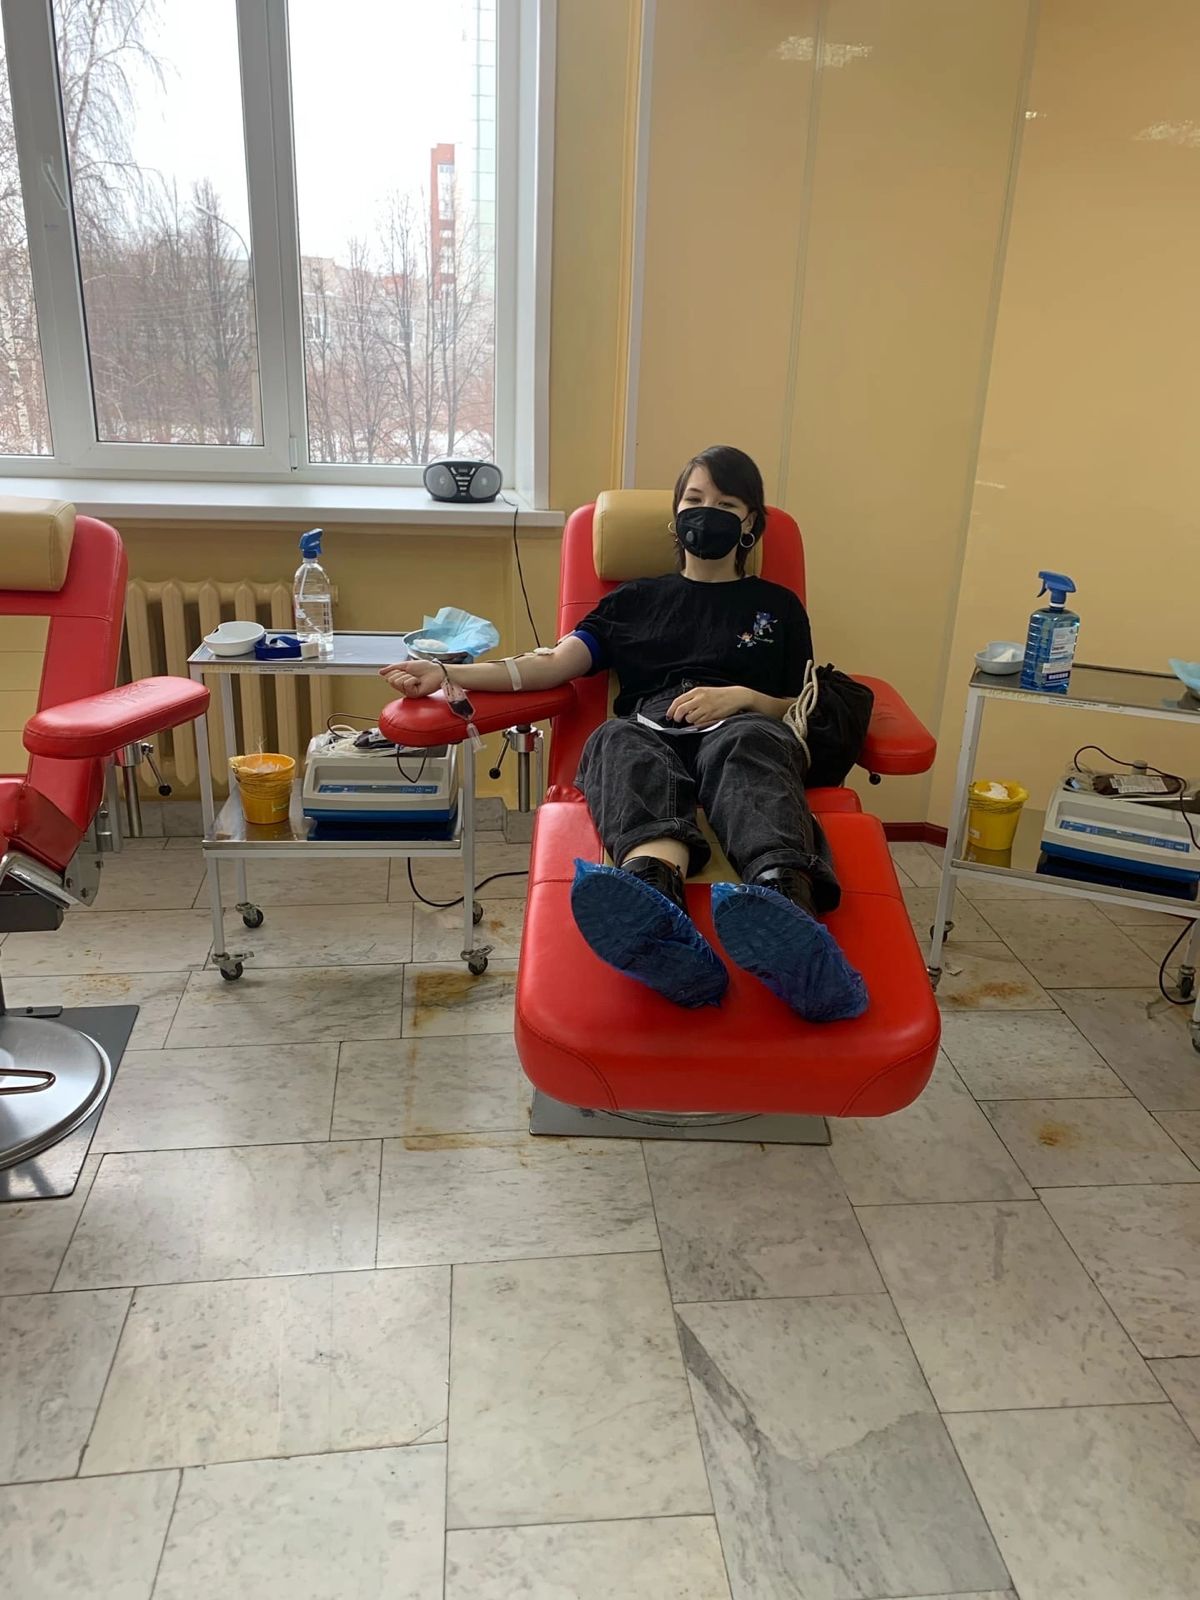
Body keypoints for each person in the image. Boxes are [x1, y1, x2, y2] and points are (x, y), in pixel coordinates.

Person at [381, 444, 866, 1021]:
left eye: (725, 504)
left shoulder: (776, 607)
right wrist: (448, 673)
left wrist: (747, 699)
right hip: (650, 730)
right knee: (613, 740)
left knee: (749, 745)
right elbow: (550, 664)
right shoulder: (634, 600)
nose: (706, 512)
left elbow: (804, 704)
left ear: (750, 524)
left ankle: (787, 910)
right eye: (694, 499)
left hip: (743, 726)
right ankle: (657, 912)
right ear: (675, 518)